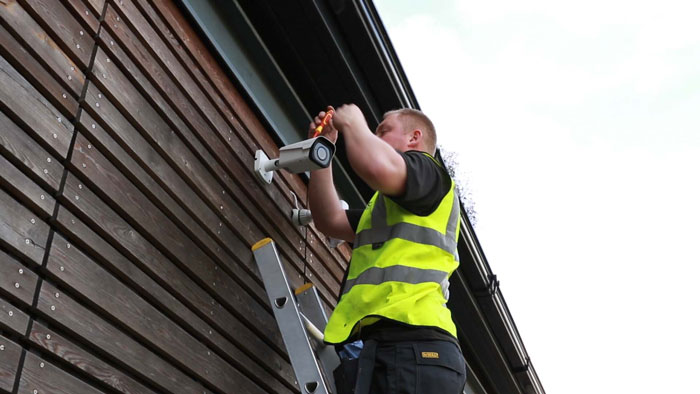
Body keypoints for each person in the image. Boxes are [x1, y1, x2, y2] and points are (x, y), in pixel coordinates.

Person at [308, 104, 467, 394]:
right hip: (391, 347)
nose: (376, 136)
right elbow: (328, 219)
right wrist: (323, 150)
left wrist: (355, 121)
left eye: (384, 130)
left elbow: (378, 167)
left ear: (413, 139)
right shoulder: (385, 209)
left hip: (415, 345)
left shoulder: (429, 175)